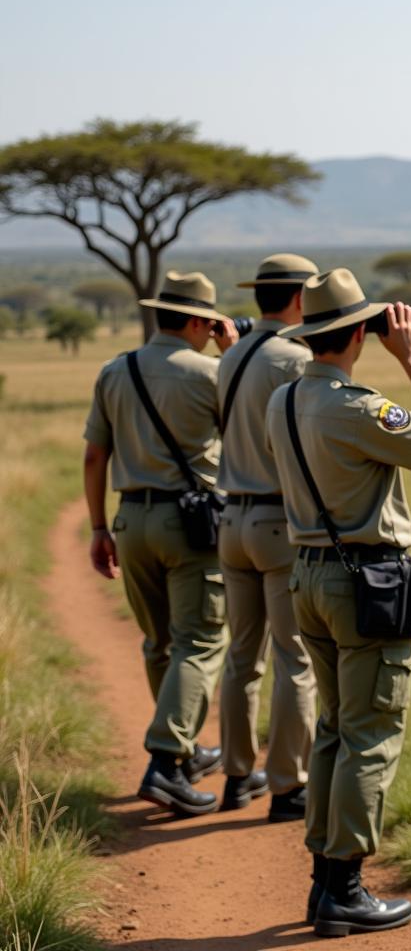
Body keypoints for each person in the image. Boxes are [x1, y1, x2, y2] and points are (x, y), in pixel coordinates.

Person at [265, 268, 411, 937]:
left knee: (334, 727)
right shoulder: (354, 406)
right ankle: (345, 888)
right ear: (359, 332)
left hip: (308, 576)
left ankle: (325, 880)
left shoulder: (285, 400)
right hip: (366, 584)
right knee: (372, 732)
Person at [83, 271, 238, 816]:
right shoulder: (212, 373)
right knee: (199, 640)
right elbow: (245, 436)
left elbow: (93, 457)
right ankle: (167, 762)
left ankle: (187, 748)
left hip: (131, 521)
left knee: (159, 643)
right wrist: (233, 356)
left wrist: (99, 527)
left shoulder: (114, 370)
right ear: (198, 321)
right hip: (192, 523)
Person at [217, 254, 319, 820]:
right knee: (293, 659)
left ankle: (235, 777)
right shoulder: (295, 358)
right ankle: (287, 784)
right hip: (281, 523)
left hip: (230, 519)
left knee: (240, 655)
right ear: (301, 299)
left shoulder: (230, 354)